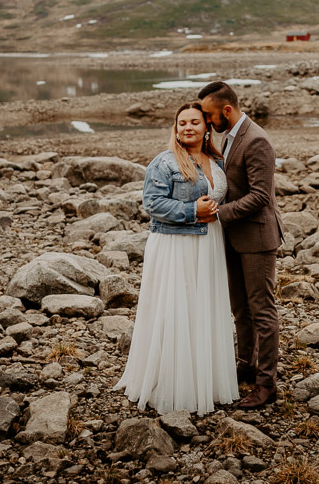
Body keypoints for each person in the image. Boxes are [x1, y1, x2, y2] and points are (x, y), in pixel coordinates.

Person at [112, 103, 239, 415]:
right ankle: (172, 384)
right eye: (182, 123)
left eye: (194, 122)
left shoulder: (216, 160)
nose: (187, 128)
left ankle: (205, 381)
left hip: (209, 243)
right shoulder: (164, 162)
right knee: (175, 308)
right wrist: (193, 210)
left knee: (203, 308)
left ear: (205, 127)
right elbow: (152, 204)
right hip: (175, 244)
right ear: (176, 128)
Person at [197, 81, 284, 410]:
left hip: (257, 238)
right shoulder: (228, 136)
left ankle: (266, 384)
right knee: (240, 309)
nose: (207, 122)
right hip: (234, 235)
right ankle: (246, 367)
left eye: (209, 115)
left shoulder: (256, 139)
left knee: (262, 310)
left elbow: (261, 196)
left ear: (226, 109)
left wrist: (218, 213)